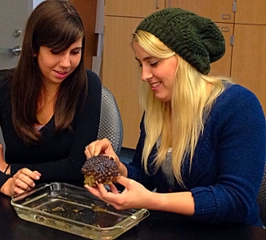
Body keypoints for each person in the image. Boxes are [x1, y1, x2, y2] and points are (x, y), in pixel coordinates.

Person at [84, 8, 266, 227]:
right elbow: (144, 176)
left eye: (153, 63)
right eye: (140, 64)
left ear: (185, 60)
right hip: (172, 228)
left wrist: (154, 200)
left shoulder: (238, 106)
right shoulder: (158, 108)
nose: (144, 75)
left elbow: (236, 200)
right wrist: (118, 169)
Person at [0, 0, 102, 197]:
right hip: (19, 200)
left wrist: (9, 169)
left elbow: (77, 167)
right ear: (34, 49)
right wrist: (6, 184)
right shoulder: (0, 86)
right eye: (56, 52)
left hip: (70, 201)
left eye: (75, 52)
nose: (66, 63)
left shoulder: (88, 85)